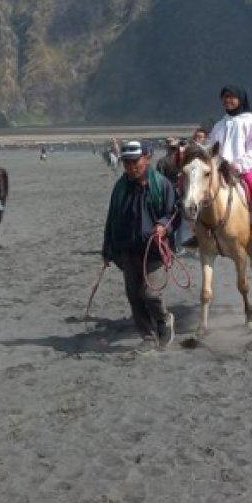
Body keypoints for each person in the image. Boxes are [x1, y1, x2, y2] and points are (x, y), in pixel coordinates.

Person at [101, 141, 178, 348]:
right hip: (128, 249)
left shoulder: (161, 185)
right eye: (126, 162)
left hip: (154, 251)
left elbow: (173, 214)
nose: (131, 166)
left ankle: (164, 320)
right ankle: (148, 336)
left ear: (146, 158)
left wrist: (163, 226)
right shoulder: (120, 188)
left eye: (135, 161)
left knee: (151, 294)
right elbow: (112, 218)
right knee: (134, 296)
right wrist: (107, 251)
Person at [208, 84, 252, 253]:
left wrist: (239, 164)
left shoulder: (249, 122)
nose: (228, 100)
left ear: (241, 99)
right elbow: (211, 147)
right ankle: (200, 233)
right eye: (225, 97)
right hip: (220, 168)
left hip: (245, 168)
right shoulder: (219, 125)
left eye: (232, 97)